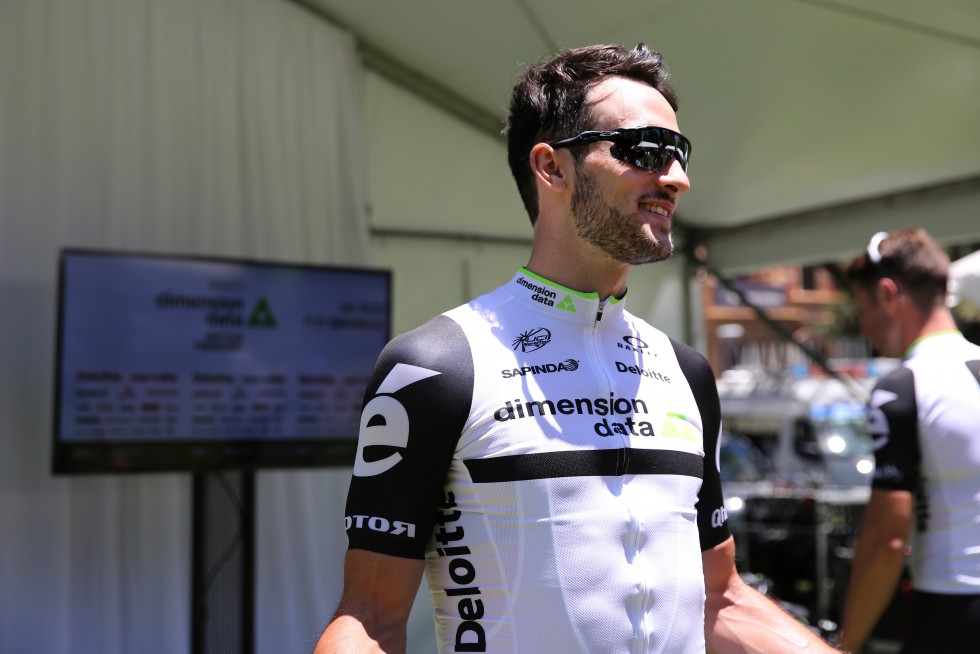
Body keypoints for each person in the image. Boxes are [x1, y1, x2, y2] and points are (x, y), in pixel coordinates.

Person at [314, 43, 834, 654]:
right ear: (552, 168)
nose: (677, 177)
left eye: (680, 152)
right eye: (646, 149)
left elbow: (719, 597)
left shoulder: (687, 371)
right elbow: (371, 620)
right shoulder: (436, 366)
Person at [838, 228, 980, 653]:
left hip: (954, 611)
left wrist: (844, 645)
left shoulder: (903, 387)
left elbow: (888, 541)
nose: (864, 327)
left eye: (863, 309)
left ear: (887, 294)